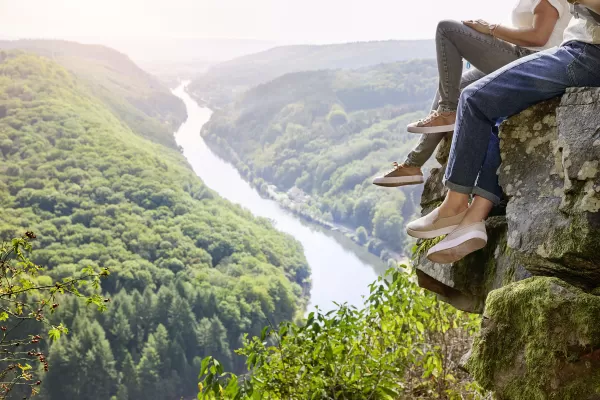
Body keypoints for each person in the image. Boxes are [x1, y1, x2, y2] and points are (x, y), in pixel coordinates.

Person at [407, 0, 600, 264]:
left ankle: (453, 206)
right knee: (504, 116)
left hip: (586, 53)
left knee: (473, 98)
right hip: (584, 53)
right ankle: (473, 220)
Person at [373, 0, 571, 187]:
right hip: (524, 57)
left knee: (447, 28)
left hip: (533, 63)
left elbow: (539, 37)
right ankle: (413, 164)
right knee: (452, 85)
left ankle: (447, 111)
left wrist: (491, 29)